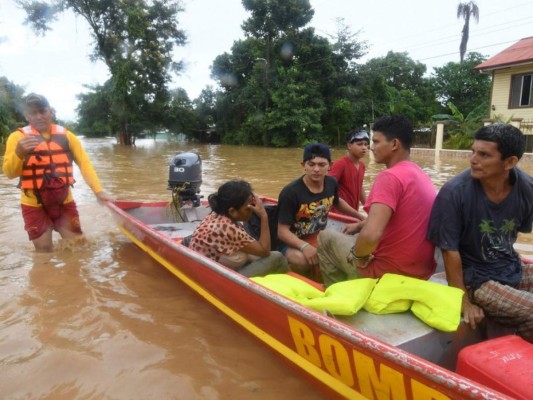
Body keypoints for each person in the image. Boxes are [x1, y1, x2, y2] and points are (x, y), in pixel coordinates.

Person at [427, 123, 533, 343]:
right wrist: (463, 301)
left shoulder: (527, 189)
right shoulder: (454, 192)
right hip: (475, 279)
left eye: (484, 155)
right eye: (473, 152)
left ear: (510, 162)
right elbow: (449, 251)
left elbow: (514, 235)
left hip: (510, 267)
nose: (473, 160)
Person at [317, 115, 437, 286]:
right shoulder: (420, 174)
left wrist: (357, 257)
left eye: (375, 142)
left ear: (394, 144)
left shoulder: (389, 177)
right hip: (420, 271)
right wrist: (360, 224)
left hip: (387, 273)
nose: (371, 148)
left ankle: (338, 295)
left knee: (325, 237)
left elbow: (372, 235)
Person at [2, 93, 112, 252]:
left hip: (64, 202)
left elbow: (84, 164)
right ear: (27, 116)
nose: (39, 116)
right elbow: (9, 174)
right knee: (44, 251)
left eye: (43, 111)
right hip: (33, 205)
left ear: (51, 111)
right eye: (33, 113)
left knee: (78, 247)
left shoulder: (68, 136)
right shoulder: (17, 138)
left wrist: (98, 191)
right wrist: (19, 153)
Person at [277, 143, 365, 277]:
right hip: (291, 241)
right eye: (311, 164)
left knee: (350, 254)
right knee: (302, 261)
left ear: (330, 166)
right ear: (303, 165)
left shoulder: (331, 183)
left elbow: (336, 201)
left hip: (318, 235)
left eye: (321, 165)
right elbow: (282, 232)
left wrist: (360, 217)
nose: (316, 169)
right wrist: (304, 247)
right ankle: (292, 274)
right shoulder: (290, 192)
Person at [189, 180, 288, 277]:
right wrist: (263, 216)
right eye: (248, 207)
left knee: (262, 255)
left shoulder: (215, 214)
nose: (252, 210)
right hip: (218, 276)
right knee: (277, 256)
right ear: (232, 211)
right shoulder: (230, 229)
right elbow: (265, 251)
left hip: (205, 265)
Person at [329, 128, 369, 215]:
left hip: (353, 214)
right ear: (349, 146)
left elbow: (360, 186)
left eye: (366, 145)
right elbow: (327, 188)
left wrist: (368, 209)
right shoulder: (340, 164)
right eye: (359, 144)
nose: (364, 148)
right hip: (338, 215)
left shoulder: (362, 166)